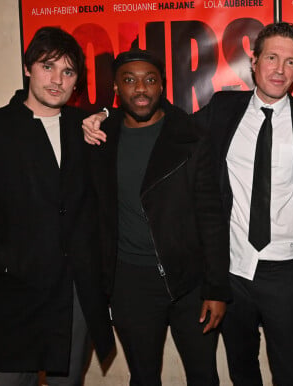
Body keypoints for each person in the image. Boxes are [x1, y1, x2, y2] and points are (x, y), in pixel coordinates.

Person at [82, 23, 293, 386]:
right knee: (242, 370)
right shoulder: (224, 109)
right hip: (233, 271)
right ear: (254, 62)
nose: (279, 69)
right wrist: (106, 113)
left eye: (290, 62)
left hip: (288, 272)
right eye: (271, 58)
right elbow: (165, 121)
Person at [0, 27, 115, 385]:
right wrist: (4, 257)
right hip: (15, 292)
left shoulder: (84, 128)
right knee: (11, 380)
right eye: (47, 66)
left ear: (76, 80)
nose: (57, 80)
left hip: (73, 294)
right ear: (27, 68)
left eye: (67, 72)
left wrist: (104, 114)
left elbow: (143, 113)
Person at [88, 49, 230, 386]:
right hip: (129, 284)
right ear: (117, 89)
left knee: (203, 375)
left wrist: (217, 288)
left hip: (190, 282)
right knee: (143, 377)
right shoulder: (100, 139)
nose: (140, 88)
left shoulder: (190, 135)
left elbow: (211, 214)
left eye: (150, 79)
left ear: (162, 86)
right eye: (130, 80)